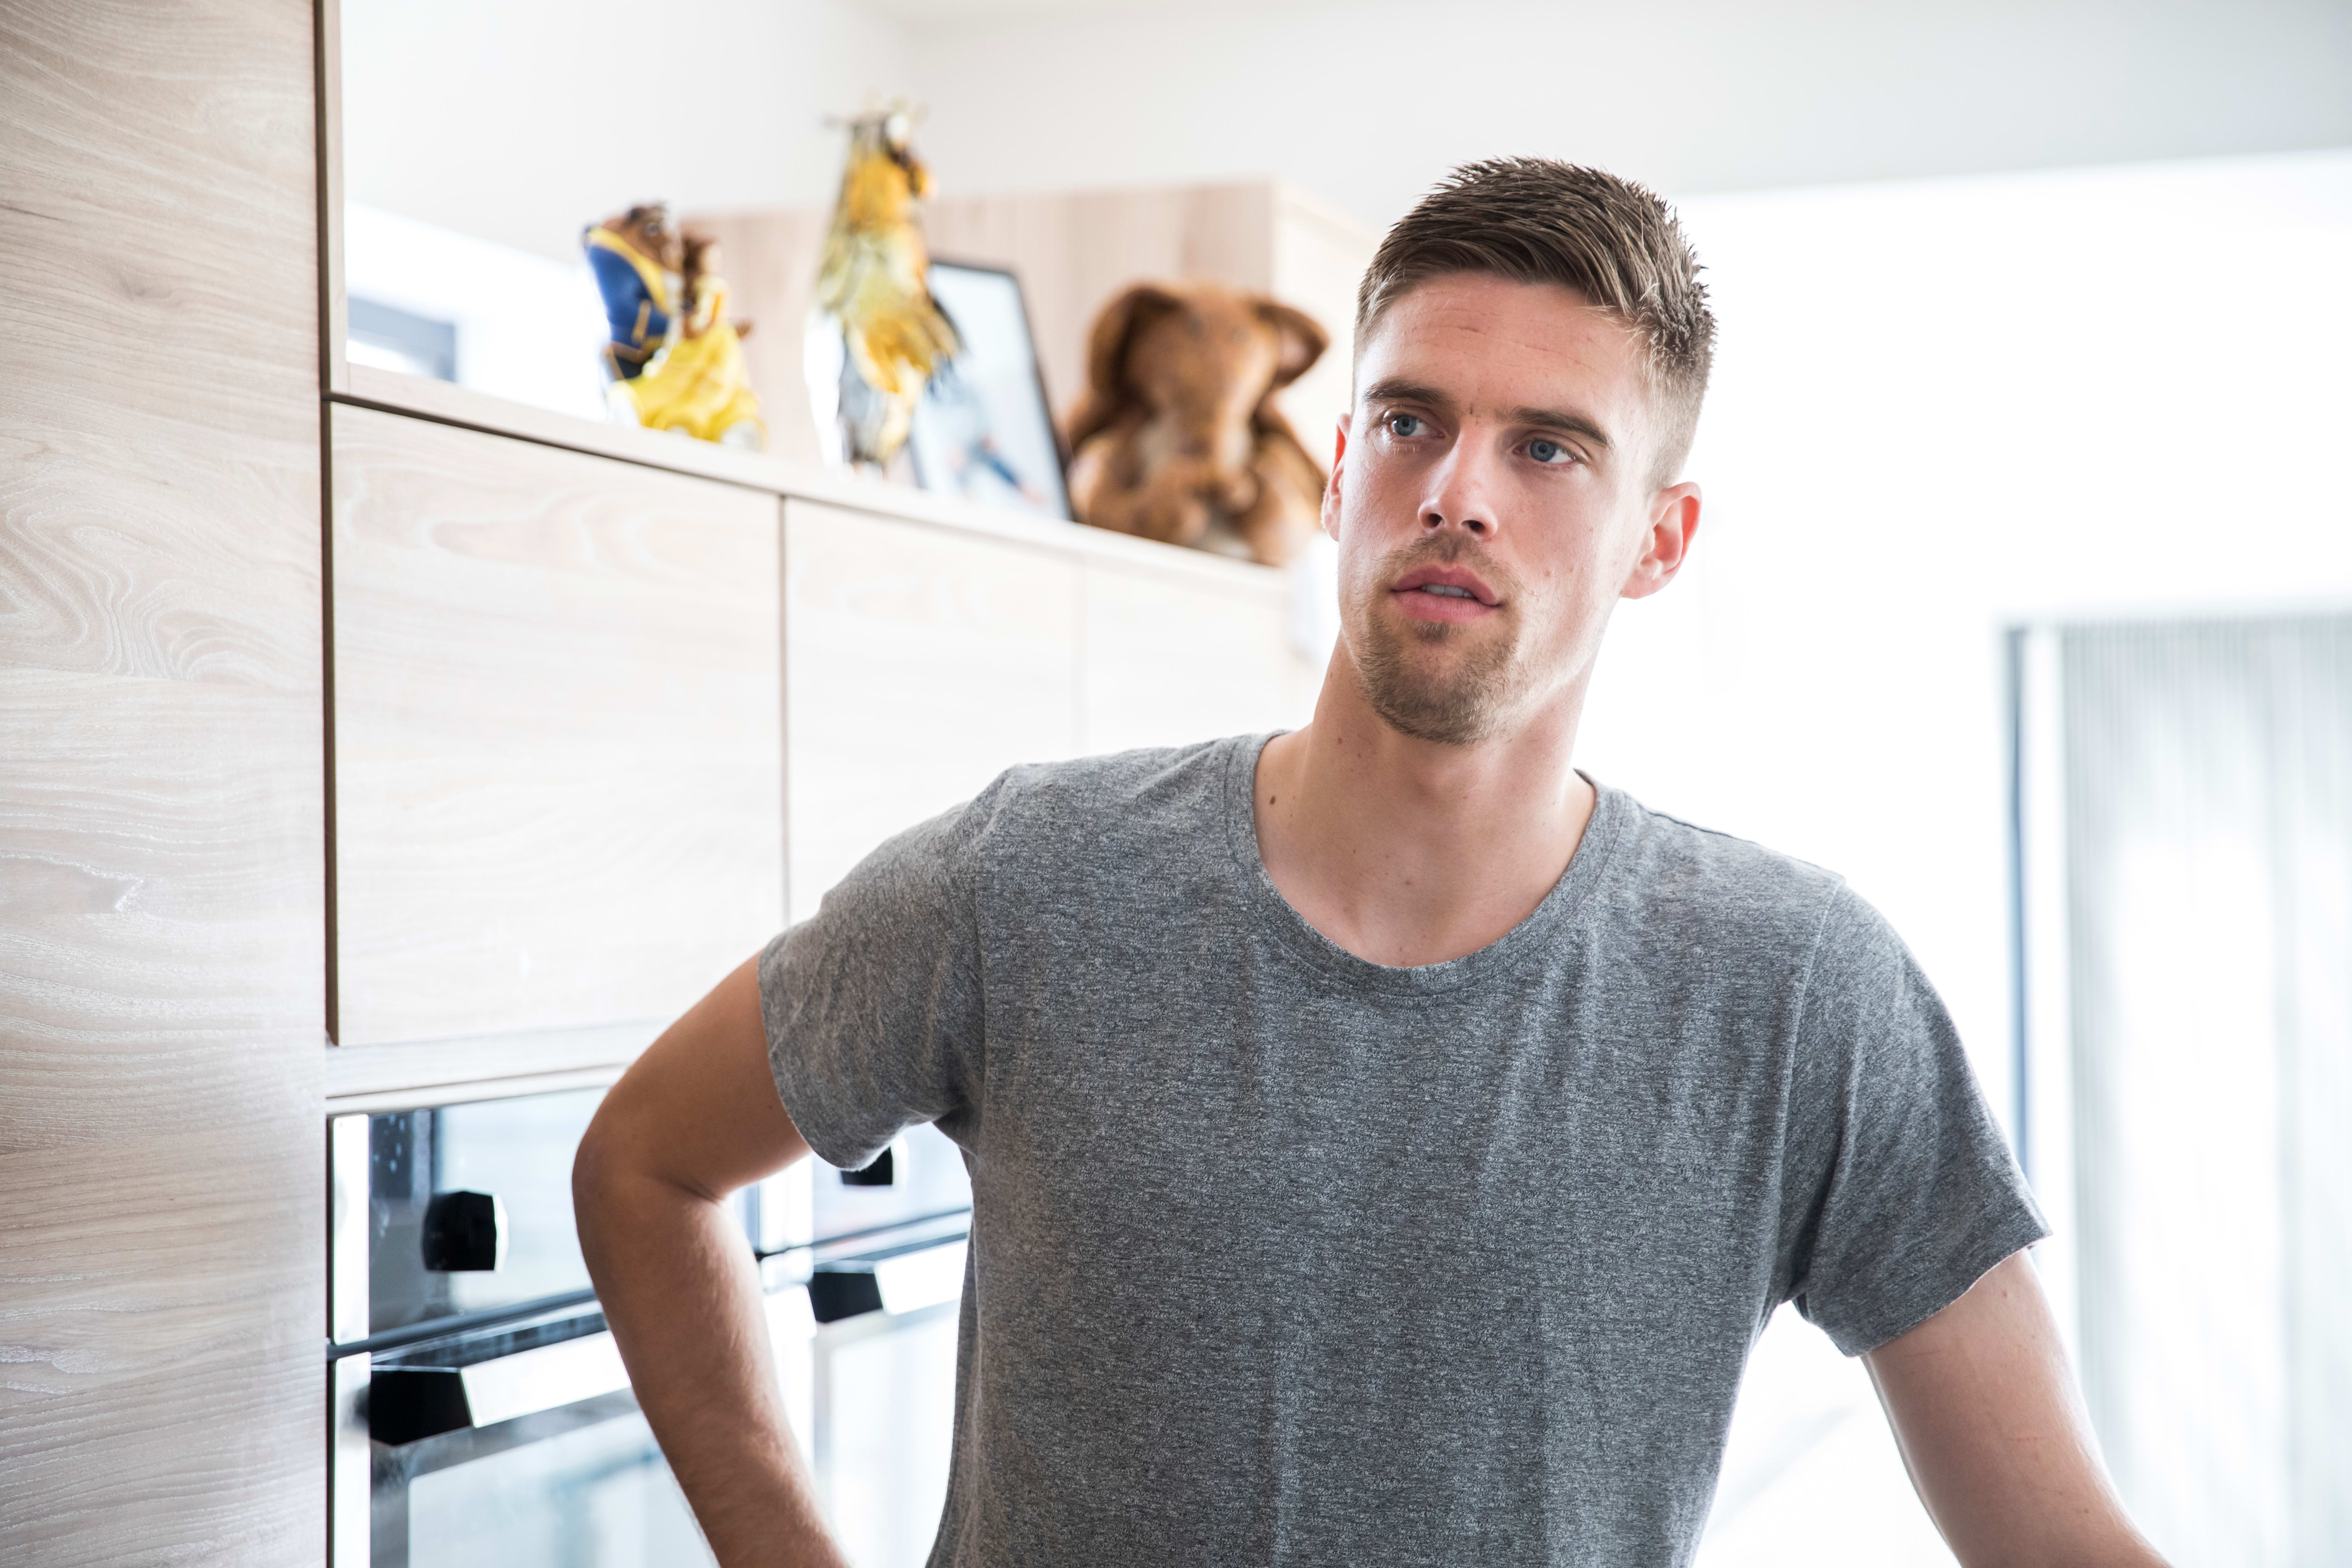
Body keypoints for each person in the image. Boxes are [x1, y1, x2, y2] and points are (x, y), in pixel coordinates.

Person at [573, 158, 2166, 1567]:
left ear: (1660, 540)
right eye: (1412, 423)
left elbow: (2061, 1542)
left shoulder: (1800, 991)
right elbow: (644, 1165)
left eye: (1550, 450)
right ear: (1341, 471)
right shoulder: (1032, 878)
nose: (1457, 493)